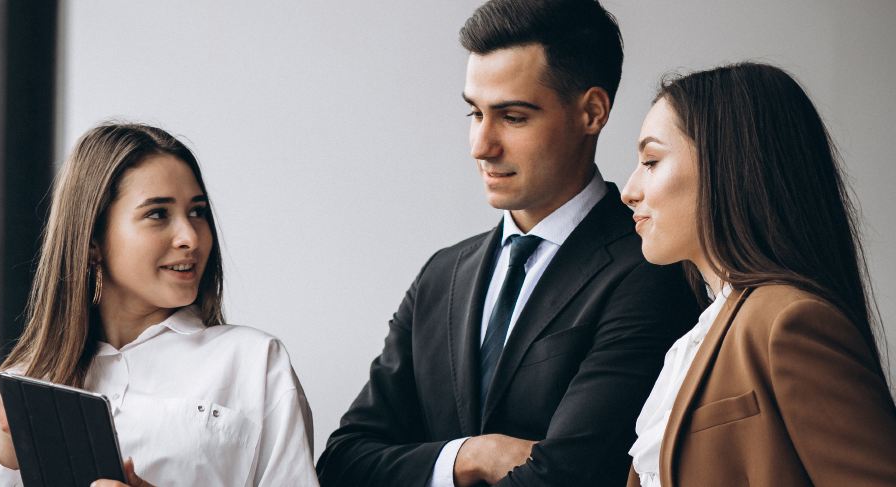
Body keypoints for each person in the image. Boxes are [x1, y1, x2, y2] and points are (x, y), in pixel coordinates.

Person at [317, 1, 700, 485]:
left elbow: (570, 477)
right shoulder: (442, 275)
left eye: (513, 117)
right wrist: (469, 457)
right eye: (475, 112)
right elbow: (341, 463)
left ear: (592, 112)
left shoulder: (652, 267)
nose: (481, 144)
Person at [0, 122, 319, 486]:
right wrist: (3, 452)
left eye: (198, 212)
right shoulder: (13, 390)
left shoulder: (255, 362)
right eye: (158, 214)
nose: (190, 237)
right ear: (92, 241)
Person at [621, 62, 896, 486]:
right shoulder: (694, 340)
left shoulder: (788, 322)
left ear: (726, 163)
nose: (629, 190)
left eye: (652, 160)